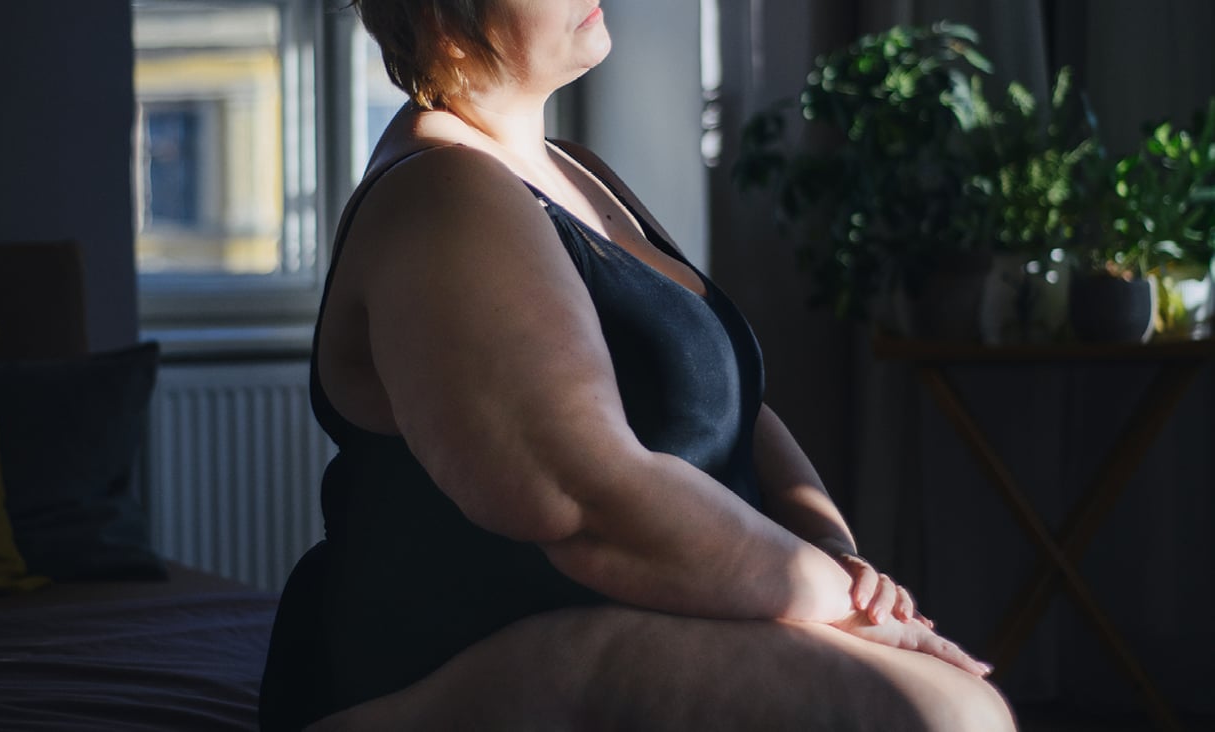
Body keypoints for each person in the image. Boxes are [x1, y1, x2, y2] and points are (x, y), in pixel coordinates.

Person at [260, 2, 1017, 730]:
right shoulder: (443, 195)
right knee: (947, 716)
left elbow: (737, 406)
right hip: (455, 660)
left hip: (631, 611)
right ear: (443, 25)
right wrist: (835, 598)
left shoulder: (576, 172)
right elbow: (589, 499)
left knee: (949, 701)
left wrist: (837, 560)